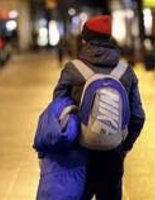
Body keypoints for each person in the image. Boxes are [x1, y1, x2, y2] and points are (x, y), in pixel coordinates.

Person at [53, 15, 145, 200]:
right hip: (113, 153)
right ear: (109, 39)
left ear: (85, 40)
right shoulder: (125, 71)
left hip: (79, 154)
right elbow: (137, 116)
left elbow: (58, 110)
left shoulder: (72, 69)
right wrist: (122, 145)